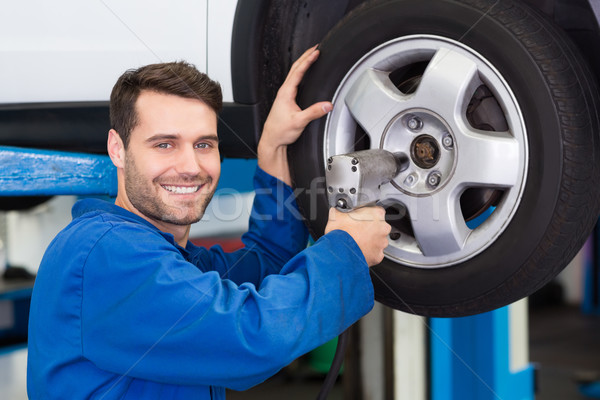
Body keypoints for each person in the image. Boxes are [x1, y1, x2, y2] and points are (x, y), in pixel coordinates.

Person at [27, 46, 391, 399]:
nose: (190, 167)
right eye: (164, 145)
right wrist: (346, 250)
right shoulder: (105, 254)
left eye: (204, 145)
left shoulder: (168, 259)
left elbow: (267, 263)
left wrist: (273, 149)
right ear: (117, 149)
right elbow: (253, 338)